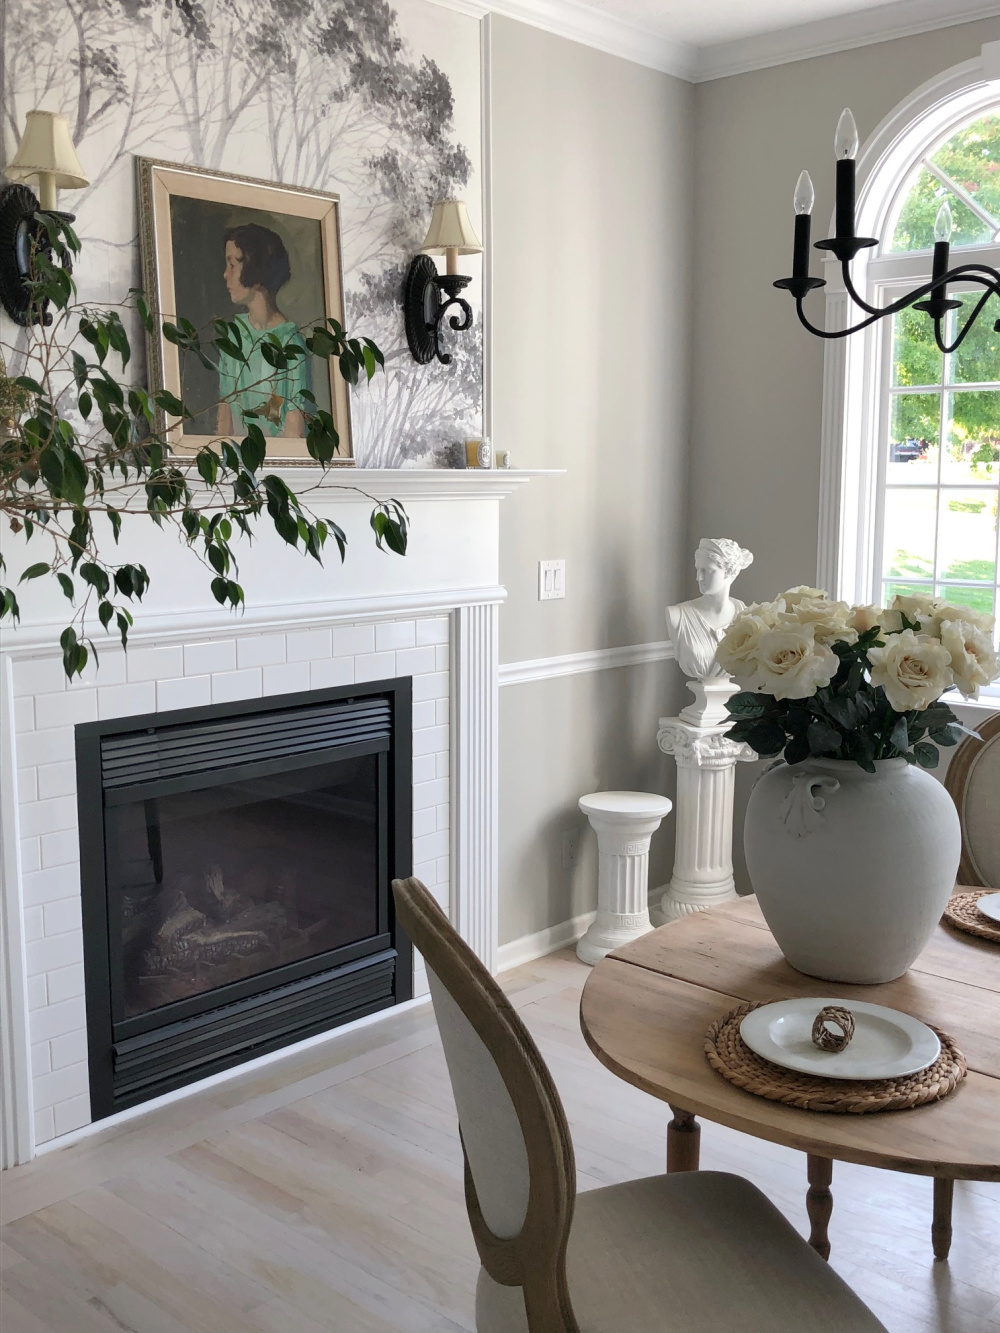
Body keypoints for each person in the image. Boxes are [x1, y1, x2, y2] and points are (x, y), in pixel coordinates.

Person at [215, 223, 311, 439]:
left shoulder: (289, 340)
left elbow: (292, 419)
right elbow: (226, 410)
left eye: (232, 265)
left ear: (254, 269)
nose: (225, 275)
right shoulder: (234, 333)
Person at [665, 538, 754, 681]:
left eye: (708, 571)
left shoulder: (745, 614)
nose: (698, 577)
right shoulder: (677, 615)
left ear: (728, 571)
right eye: (698, 569)